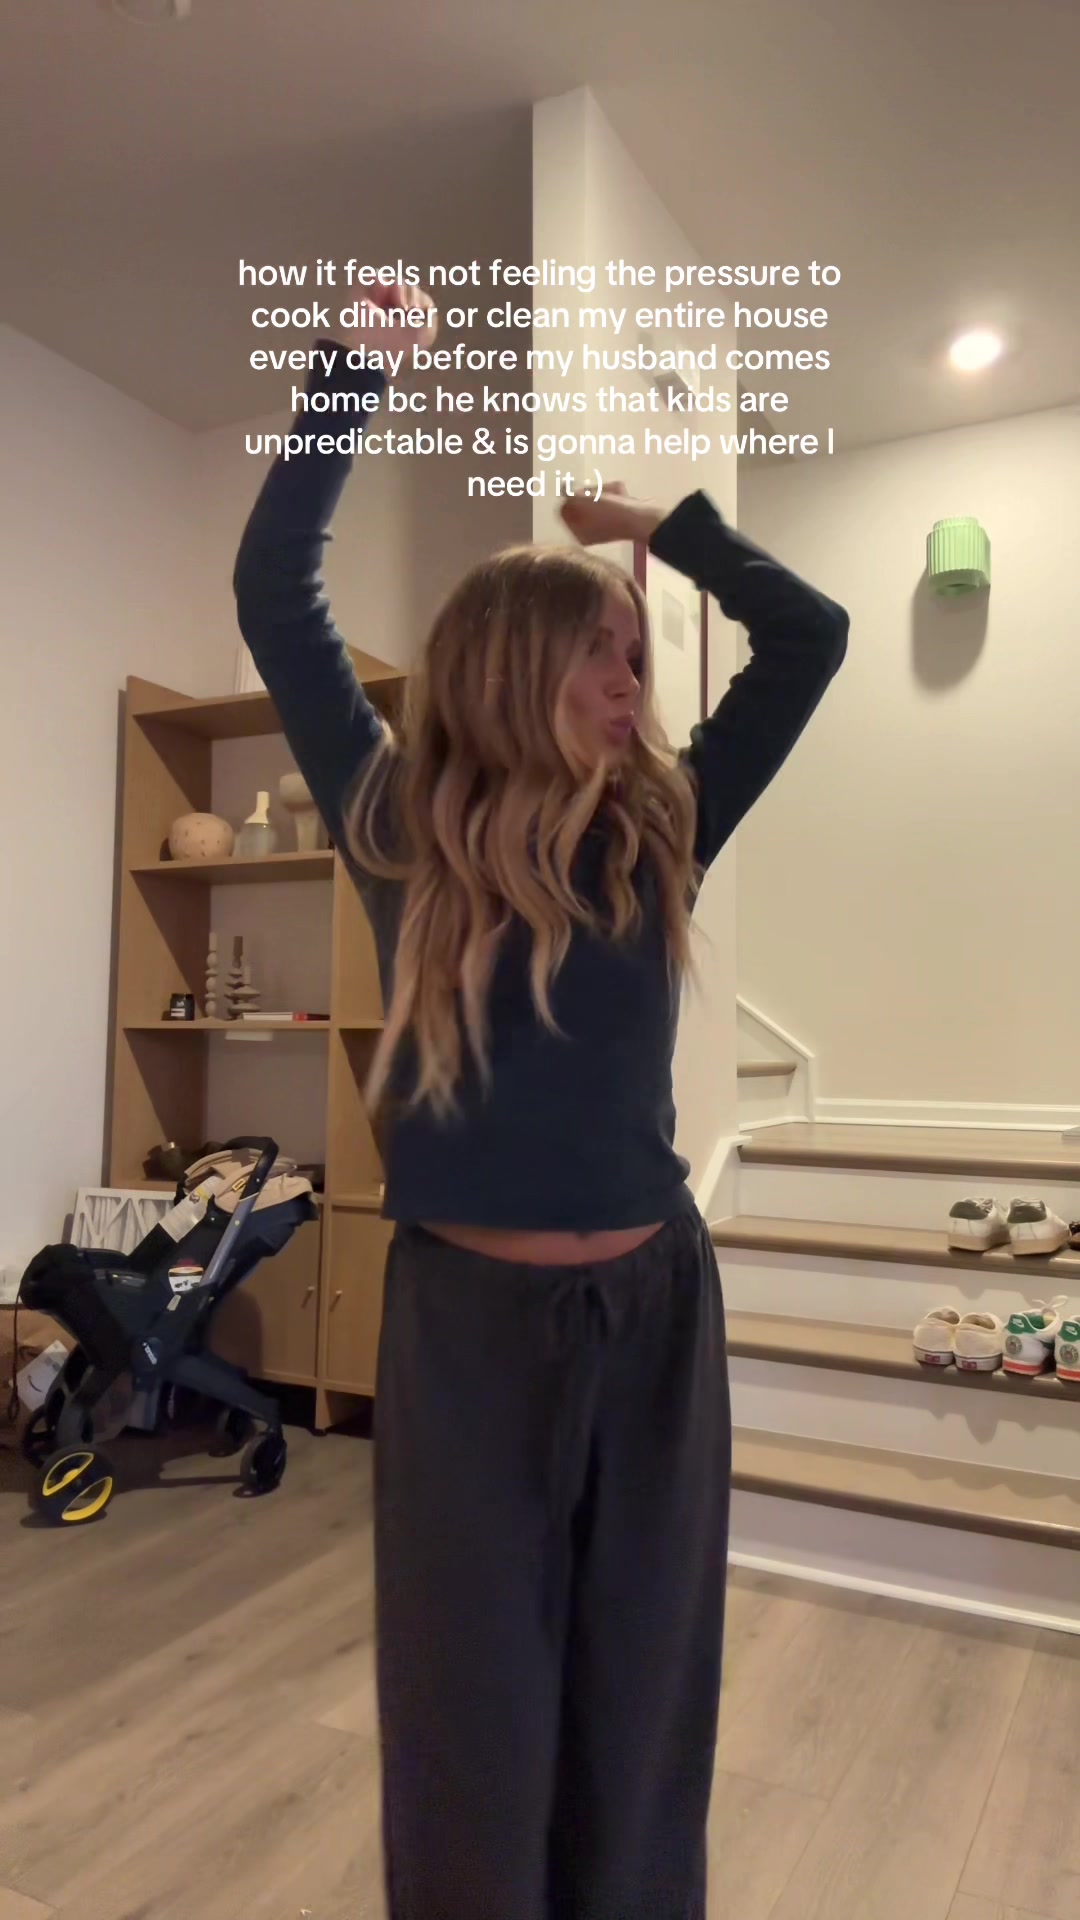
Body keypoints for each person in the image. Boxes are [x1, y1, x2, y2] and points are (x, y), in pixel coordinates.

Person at [233, 279, 848, 1920]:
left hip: (653, 1320)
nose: (634, 683)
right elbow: (274, 588)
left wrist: (661, 532)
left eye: (639, 658)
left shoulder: (663, 832)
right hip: (467, 1331)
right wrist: (352, 369)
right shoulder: (397, 826)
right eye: (605, 652)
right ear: (511, 662)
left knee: (643, 1699)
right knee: (471, 1711)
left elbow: (811, 636)